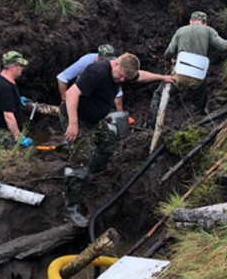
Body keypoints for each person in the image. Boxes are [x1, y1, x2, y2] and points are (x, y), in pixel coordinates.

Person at [61, 53, 174, 226]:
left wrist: (162, 77)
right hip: (78, 118)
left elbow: (140, 75)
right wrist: (73, 123)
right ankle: (70, 207)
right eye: (120, 75)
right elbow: (71, 93)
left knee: (108, 142)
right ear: (115, 64)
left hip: (94, 120)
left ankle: (96, 174)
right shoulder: (98, 71)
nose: (121, 79)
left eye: (124, 78)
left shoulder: (124, 72)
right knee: (80, 161)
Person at [151, 11, 227, 117]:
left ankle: (152, 123)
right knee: (200, 100)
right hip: (198, 76)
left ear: (190, 21)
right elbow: (223, 46)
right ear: (205, 23)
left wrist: (167, 61)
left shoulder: (180, 31)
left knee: (158, 95)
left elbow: (170, 52)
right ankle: (196, 121)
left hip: (179, 74)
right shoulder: (208, 30)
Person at [0, 51, 34, 149]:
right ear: (13, 67)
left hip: (0, 125)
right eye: (21, 66)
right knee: (19, 148)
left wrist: (15, 99)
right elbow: (9, 116)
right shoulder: (5, 87)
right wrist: (18, 136)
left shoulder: (1, 76)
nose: (22, 69)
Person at [56, 44, 124, 111]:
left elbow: (118, 97)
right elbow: (62, 78)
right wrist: (65, 100)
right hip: (84, 93)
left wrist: (120, 115)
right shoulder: (86, 61)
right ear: (99, 59)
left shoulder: (113, 68)